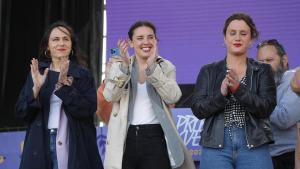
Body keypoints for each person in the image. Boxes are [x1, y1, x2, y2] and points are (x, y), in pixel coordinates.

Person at [103, 20, 195, 169]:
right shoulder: (119, 65)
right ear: (131, 43)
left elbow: (173, 97)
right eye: (140, 38)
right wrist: (125, 67)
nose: (146, 42)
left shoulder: (166, 66)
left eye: (150, 37)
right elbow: (110, 96)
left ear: (156, 40)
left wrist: (153, 68)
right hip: (126, 137)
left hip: (155, 136)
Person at [191, 13, 276, 169]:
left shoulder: (263, 70)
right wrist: (221, 94)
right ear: (225, 38)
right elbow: (198, 109)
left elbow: (266, 108)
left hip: (254, 143)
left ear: (251, 40)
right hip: (216, 144)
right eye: (232, 33)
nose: (238, 38)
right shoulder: (209, 71)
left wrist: (239, 89)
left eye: (243, 34)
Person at [15, 21, 103, 169]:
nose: (61, 43)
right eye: (55, 39)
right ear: (47, 47)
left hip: (74, 143)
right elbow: (21, 113)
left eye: (65, 39)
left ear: (71, 46)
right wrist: (35, 90)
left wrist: (65, 88)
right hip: (41, 143)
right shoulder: (38, 73)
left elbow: (88, 110)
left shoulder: (82, 75)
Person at [257, 39, 300, 169]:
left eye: (269, 60)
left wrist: (256, 100)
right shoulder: (260, 86)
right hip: (264, 157)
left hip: (289, 156)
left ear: (284, 60)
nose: (264, 66)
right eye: (260, 62)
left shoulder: (294, 80)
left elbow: (284, 118)